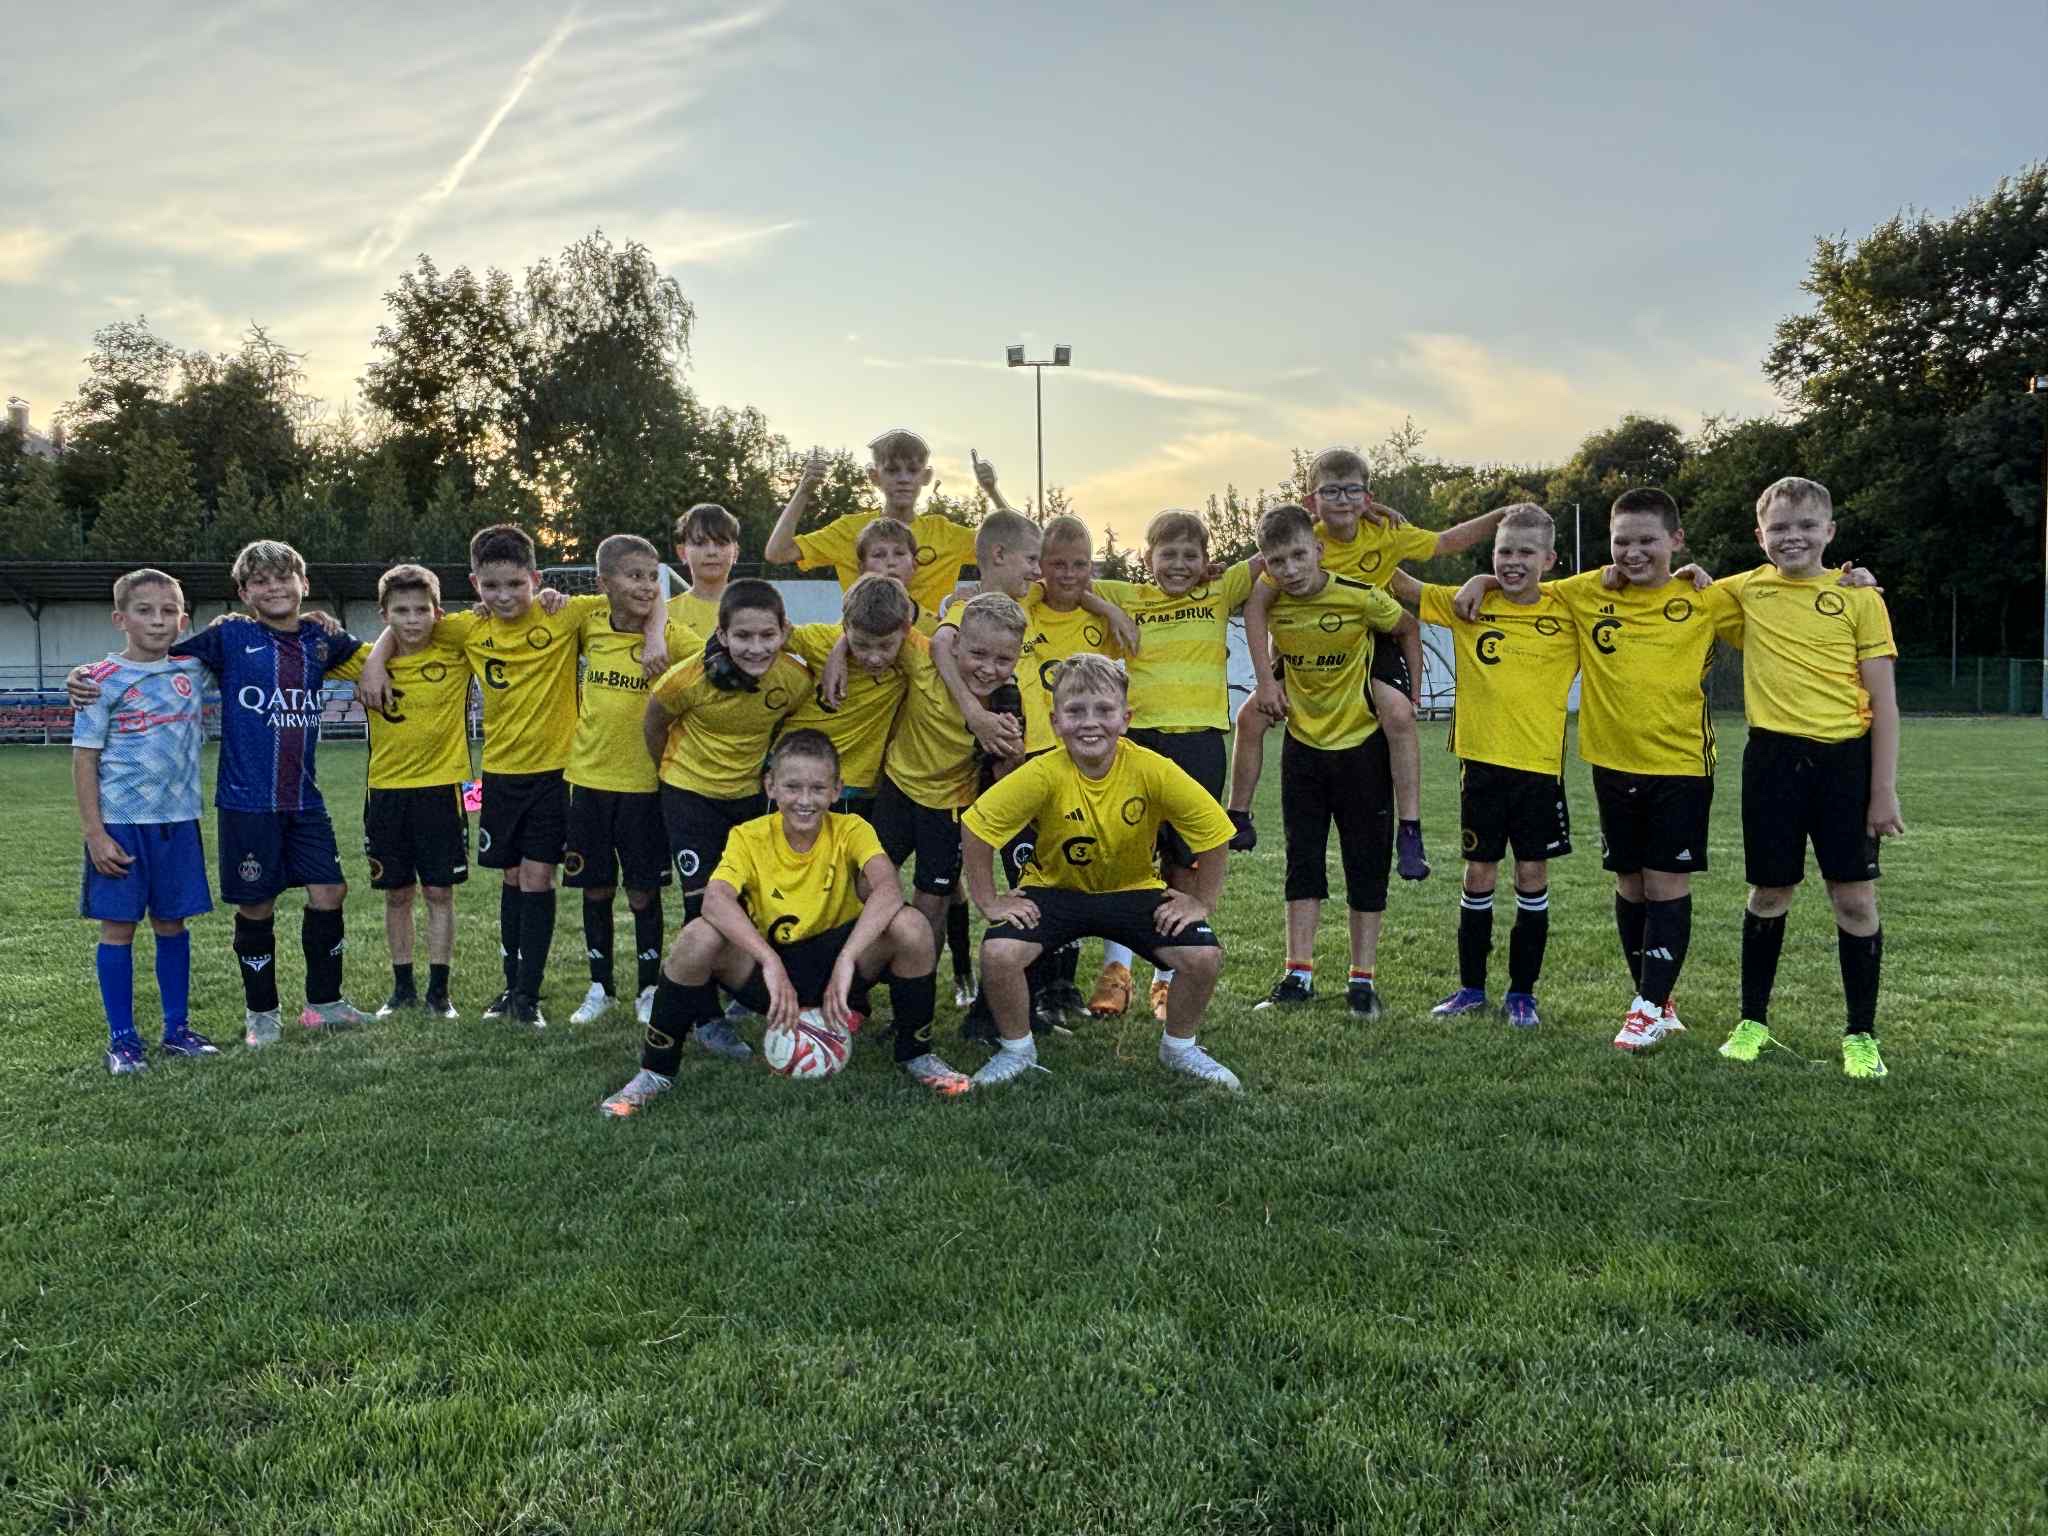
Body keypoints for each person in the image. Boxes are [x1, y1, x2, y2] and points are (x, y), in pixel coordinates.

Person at [1453, 488, 1739, 1052]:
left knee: (1664, 883)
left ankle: (1648, 1008)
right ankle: (1655, 1000)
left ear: (1677, 540)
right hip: (1609, 763)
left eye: (1647, 540)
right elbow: (1526, 585)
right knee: (1630, 883)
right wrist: (1480, 580)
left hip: (1681, 764)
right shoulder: (1586, 592)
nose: (1633, 553)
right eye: (1622, 542)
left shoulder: (1706, 597)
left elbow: (1777, 599)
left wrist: (1851, 581)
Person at [356, 524, 666, 1031]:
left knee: (537, 876)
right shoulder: (466, 627)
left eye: (516, 584)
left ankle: (528, 996)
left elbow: (643, 596)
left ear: (535, 579)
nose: (504, 596)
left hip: (555, 773)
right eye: (492, 586)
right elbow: (408, 622)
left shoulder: (563, 613)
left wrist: (654, 634)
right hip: (498, 774)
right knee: (511, 876)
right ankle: (509, 986)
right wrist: (374, 660)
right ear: (475, 584)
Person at [72, 540, 378, 1045]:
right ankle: (262, 1012)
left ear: (304, 584)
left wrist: (361, 647)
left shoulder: (322, 639)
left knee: (330, 891)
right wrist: (82, 675)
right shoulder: (229, 637)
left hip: (305, 799)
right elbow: (152, 655)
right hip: (244, 802)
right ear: (244, 593)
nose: (274, 587)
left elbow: (377, 653)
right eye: (260, 581)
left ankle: (324, 1003)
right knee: (256, 904)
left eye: (284, 578)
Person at [600, 730, 970, 1114]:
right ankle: (655, 1072)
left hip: (838, 969)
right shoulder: (748, 837)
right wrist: (769, 961)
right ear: (771, 786)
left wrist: (848, 958)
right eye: (792, 787)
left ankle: (917, 1054)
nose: (805, 800)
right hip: (769, 977)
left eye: (817, 788)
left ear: (836, 790)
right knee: (697, 936)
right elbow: (715, 900)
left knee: (912, 925)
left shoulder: (852, 829)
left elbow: (889, 889)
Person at [961, 654, 1239, 1091]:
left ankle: (1179, 1047)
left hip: (1133, 890)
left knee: (1203, 957)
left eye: (1104, 710)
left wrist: (1202, 901)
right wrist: (988, 899)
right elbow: (977, 827)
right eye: (1075, 711)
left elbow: (1215, 831)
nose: (1090, 723)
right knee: (999, 953)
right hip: (1054, 891)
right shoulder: (1042, 772)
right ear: (1055, 722)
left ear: (1125, 719)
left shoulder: (1151, 769)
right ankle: (1016, 1051)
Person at [1228, 447, 1505, 878]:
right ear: (1311, 501)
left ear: (1368, 497)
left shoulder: (1385, 532)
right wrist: (1265, 677)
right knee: (1250, 718)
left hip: (1372, 633)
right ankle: (1238, 816)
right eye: (1331, 491)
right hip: (1309, 641)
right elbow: (1256, 592)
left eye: (1352, 490)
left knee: (1397, 713)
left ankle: (1410, 829)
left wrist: (1502, 515)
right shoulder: (1300, 539)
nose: (1342, 499)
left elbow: (1445, 542)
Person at [1712, 477, 1902, 1079]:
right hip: (1771, 761)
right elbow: (1672, 596)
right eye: (1779, 528)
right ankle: (1752, 1022)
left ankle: (1861, 1034)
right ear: (1759, 536)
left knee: (1854, 897)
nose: (1792, 537)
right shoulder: (1744, 590)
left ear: (1830, 531)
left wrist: (1883, 791)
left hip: (1845, 763)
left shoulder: (1859, 598)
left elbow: (1884, 702)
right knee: (1770, 893)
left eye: (1806, 525)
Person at [1387, 506, 1579, 1029]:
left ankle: (1522, 993)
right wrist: (1370, 536)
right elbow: (1401, 584)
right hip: (1481, 767)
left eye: (1525, 553)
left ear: (1549, 560)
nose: (1514, 562)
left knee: (1531, 875)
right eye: (1504, 552)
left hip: (1539, 769)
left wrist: (1688, 573)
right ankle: (1471, 988)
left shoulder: (1569, 606)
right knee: (1478, 874)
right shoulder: (1467, 604)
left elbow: (1622, 583)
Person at [1082, 509, 1256, 1022]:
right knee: (1127, 855)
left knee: (1183, 862)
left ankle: (1166, 976)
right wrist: (1107, 610)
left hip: (1200, 741)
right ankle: (1116, 971)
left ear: (1206, 561)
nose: (1179, 565)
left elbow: (1275, 551)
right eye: (1168, 554)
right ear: (1147, 558)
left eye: (1190, 556)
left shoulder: (1219, 591)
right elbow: (1064, 582)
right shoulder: (1128, 596)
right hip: (1140, 741)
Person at [1247, 503, 1416, 1018]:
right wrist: (1267, 679)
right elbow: (1248, 607)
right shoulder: (1270, 600)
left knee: (1366, 866)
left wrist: (1413, 688)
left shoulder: (1360, 596)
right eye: (1278, 561)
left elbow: (1407, 625)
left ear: (1319, 550)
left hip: (1362, 747)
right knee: (1302, 864)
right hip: (1303, 746)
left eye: (1299, 555)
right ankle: (1297, 976)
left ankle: (1362, 981)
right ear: (1266, 565)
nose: (1291, 569)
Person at [643, 578, 811, 1060]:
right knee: (702, 910)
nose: (756, 647)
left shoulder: (795, 679)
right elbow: (654, 723)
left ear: (783, 631)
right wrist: (670, 774)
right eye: (743, 636)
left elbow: (786, 726)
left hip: (748, 801)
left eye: (767, 635)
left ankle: (739, 987)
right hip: (690, 796)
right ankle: (705, 1018)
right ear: (722, 634)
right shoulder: (686, 678)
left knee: (748, 902)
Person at [72, 569, 215, 1073]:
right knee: (119, 929)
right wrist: (95, 833)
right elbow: (84, 759)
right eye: (144, 611)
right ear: (120, 619)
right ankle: (123, 1040)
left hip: (179, 821)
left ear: (183, 619)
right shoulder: (99, 681)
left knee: (172, 924)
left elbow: (242, 634)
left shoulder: (193, 669)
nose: (158, 621)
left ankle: (177, 1030)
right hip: (122, 824)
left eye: (168, 611)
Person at [566, 535, 705, 1028]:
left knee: (643, 892)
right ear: (604, 583)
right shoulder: (587, 622)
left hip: (646, 787)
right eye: (634, 576)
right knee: (596, 889)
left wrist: (658, 634)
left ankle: (648, 988)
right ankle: (600, 987)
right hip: (588, 781)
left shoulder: (677, 640)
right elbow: (541, 609)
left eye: (652, 577)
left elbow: (716, 662)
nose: (646, 586)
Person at [873, 591, 1028, 968]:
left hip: (950, 808)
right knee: (868, 885)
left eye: (1003, 660)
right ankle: (869, 970)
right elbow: (874, 623)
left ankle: (918, 978)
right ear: (955, 644)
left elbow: (1004, 783)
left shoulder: (1009, 704)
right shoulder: (924, 658)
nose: (988, 669)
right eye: (978, 654)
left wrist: (1012, 757)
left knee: (931, 904)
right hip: (897, 790)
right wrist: (837, 653)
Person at [361, 564, 473, 1021]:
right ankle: (402, 989)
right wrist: (373, 660)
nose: (412, 620)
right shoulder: (363, 659)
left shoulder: (457, 654)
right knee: (397, 894)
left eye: (421, 610)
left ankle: (439, 993)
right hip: (385, 794)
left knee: (440, 893)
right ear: (384, 614)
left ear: (437, 613)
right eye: (401, 611)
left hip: (442, 791)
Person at [763, 432, 992, 616]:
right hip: (864, 650)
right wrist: (804, 490)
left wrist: (992, 491)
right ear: (874, 476)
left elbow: (1010, 547)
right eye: (892, 470)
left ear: (926, 476)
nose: (903, 479)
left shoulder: (947, 534)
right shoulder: (849, 530)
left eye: (912, 470)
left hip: (928, 652)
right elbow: (778, 552)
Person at [781, 574, 921, 821]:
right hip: (791, 774)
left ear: (906, 630)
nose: (874, 658)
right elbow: (770, 629)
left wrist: (844, 645)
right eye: (862, 645)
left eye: (885, 646)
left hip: (854, 785)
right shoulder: (821, 640)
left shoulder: (911, 656)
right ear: (845, 628)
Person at [668, 502, 739, 638]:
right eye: (700, 543)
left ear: (735, 552)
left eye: (721, 543)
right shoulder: (665, 616)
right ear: (682, 553)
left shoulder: (759, 610)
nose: (711, 552)